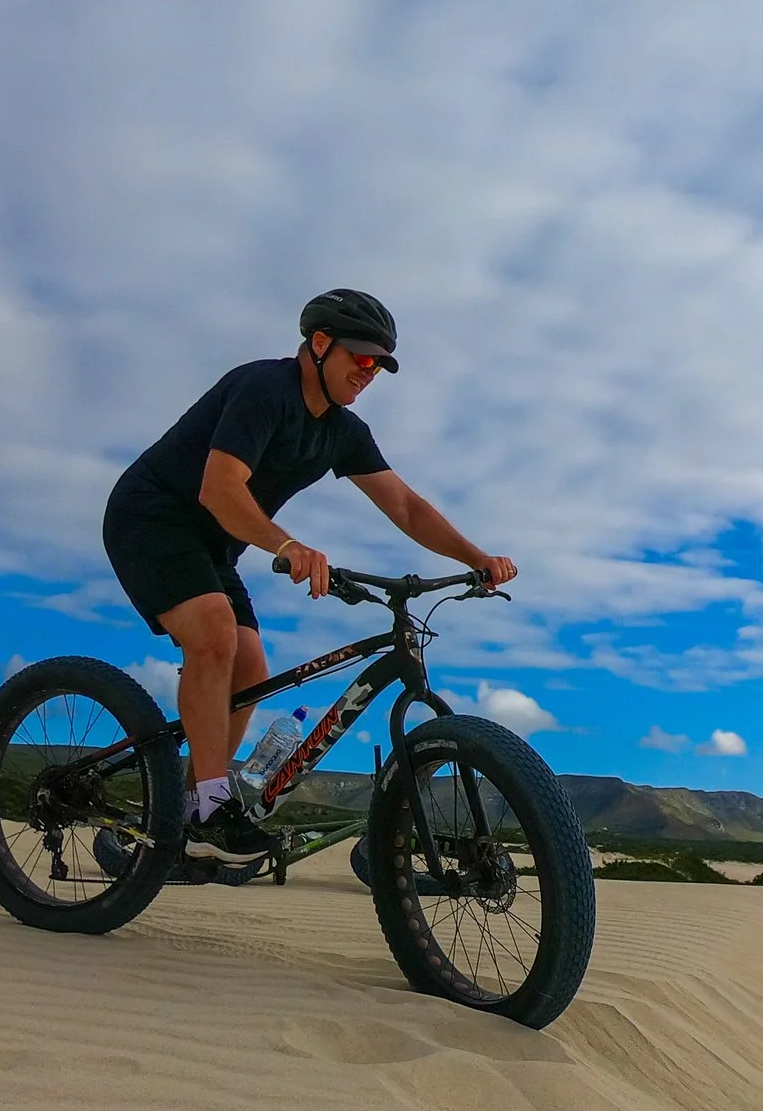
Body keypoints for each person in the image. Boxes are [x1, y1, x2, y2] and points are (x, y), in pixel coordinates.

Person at [102, 289, 515, 862]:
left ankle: (190, 804)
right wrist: (287, 544)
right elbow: (218, 489)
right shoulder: (262, 390)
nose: (370, 374)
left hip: (214, 547)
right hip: (151, 519)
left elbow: (406, 507)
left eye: (381, 366)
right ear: (320, 345)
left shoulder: (343, 432)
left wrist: (475, 558)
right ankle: (209, 804)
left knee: (249, 668)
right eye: (362, 358)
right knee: (215, 633)